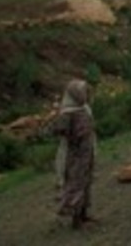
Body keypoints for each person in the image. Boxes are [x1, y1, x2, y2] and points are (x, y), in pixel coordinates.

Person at [50, 79, 97, 229]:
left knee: (86, 182)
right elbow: (59, 131)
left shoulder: (84, 109)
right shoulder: (67, 114)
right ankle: (76, 220)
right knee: (76, 184)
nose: (86, 95)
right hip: (75, 155)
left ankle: (84, 214)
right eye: (83, 92)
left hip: (86, 153)